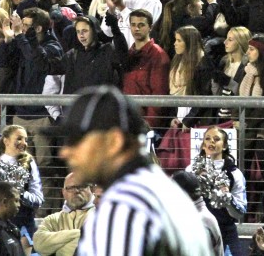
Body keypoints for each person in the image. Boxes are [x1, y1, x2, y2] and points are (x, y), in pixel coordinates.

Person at [57, 85, 211, 256]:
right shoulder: (156, 187)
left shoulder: (125, 206)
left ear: (113, 141)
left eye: (76, 140)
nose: (65, 151)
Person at [31, 174, 95, 256]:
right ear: (63, 192)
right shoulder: (53, 219)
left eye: (81, 186)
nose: (76, 191)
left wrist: (58, 244)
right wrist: (81, 234)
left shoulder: (100, 215)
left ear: (91, 189)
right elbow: (39, 244)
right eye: (70, 188)